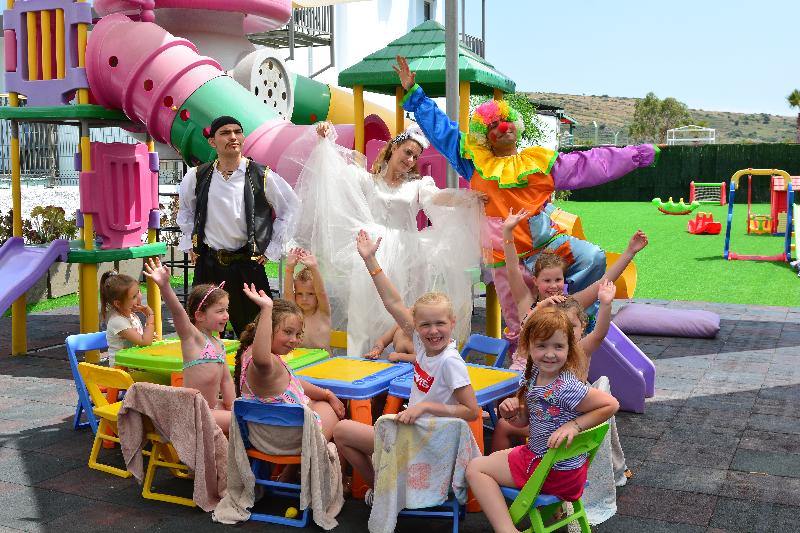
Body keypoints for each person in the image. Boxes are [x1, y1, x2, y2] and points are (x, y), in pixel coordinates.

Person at [394, 55, 659, 347]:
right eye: (494, 125)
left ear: (516, 127)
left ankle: (577, 321)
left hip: (546, 246)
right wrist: (415, 95)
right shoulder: (474, 161)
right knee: (519, 325)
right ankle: (522, 366)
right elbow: (442, 131)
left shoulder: (538, 163)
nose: (502, 127)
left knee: (592, 257)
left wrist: (636, 155)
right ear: (486, 136)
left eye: (506, 121)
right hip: (505, 257)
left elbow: (590, 163)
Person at [290, 121, 482, 356]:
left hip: (406, 253)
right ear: (394, 148)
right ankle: (358, 362)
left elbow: (438, 198)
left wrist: (467, 198)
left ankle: (398, 360)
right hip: (371, 249)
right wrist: (326, 140)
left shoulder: (418, 186)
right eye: (407, 152)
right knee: (362, 310)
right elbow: (336, 177)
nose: (410, 160)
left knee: (401, 310)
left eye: (415, 157)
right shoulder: (368, 181)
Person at [332, 230, 481, 506]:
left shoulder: (450, 361)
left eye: (440, 324)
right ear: (416, 327)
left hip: (429, 442)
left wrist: (425, 408)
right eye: (425, 325)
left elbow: (472, 411)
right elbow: (393, 303)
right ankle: (384, 489)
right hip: (413, 436)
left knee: (342, 431)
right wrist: (370, 260)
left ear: (452, 323)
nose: (433, 330)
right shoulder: (423, 347)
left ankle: (384, 492)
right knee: (343, 432)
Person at [466, 308, 619, 533]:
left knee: (474, 469)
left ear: (569, 348)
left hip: (551, 471)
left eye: (558, 346)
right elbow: (525, 421)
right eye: (542, 346)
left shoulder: (566, 387)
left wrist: (574, 426)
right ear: (528, 346)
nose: (550, 354)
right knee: (492, 458)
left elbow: (611, 404)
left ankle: (506, 530)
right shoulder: (534, 376)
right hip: (559, 466)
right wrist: (511, 414)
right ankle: (543, 510)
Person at [176, 115, 299, 337]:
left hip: (247, 265)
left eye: (237, 132)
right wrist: (190, 244)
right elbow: (186, 211)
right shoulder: (197, 176)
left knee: (256, 332)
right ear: (212, 142)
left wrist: (271, 249)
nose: (233, 137)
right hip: (209, 264)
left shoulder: (262, 175)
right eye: (225, 133)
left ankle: (252, 360)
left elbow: (290, 208)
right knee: (201, 332)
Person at [501, 207, 648, 370]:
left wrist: (629, 252)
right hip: (524, 373)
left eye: (558, 280)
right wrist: (507, 232)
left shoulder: (569, 305)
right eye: (547, 280)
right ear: (535, 281)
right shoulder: (526, 302)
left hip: (556, 375)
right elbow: (512, 269)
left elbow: (603, 281)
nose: (553, 285)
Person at [491, 280, 617, 452]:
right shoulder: (547, 353)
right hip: (545, 413)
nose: (565, 331)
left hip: (562, 418)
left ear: (583, 326)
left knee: (504, 425)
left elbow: (599, 334)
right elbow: (526, 331)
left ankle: (514, 460)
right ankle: (509, 459)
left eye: (571, 326)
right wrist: (540, 306)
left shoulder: (580, 348)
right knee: (505, 421)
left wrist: (605, 304)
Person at [236, 287, 345, 441]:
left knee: (321, 402)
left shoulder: (250, 353)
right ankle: (320, 453)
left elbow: (291, 381)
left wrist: (326, 393)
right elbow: (261, 360)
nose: (294, 339)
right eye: (287, 332)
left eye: (298, 334)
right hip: (283, 440)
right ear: (267, 329)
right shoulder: (263, 363)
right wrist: (266, 309)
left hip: (267, 434)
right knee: (334, 417)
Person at [143, 258, 234, 434]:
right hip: (192, 413)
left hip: (210, 409)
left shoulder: (219, 344)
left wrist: (231, 407)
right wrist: (164, 286)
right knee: (243, 421)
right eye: (220, 311)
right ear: (199, 316)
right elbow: (178, 312)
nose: (226, 316)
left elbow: (226, 381)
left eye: (227, 310)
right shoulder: (193, 338)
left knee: (247, 413)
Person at [100, 270, 155, 367]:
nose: (139, 297)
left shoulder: (132, 316)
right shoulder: (117, 321)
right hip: (121, 369)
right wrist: (150, 316)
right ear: (118, 303)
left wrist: (149, 335)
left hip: (133, 363)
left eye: (138, 292)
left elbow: (142, 340)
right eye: (134, 297)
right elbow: (145, 342)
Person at [282, 247, 332, 351]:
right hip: (300, 360)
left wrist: (314, 268)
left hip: (323, 360)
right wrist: (289, 268)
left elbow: (321, 292)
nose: (304, 298)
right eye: (299, 294)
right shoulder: (295, 313)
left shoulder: (322, 312)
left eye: (310, 294)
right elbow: (288, 292)